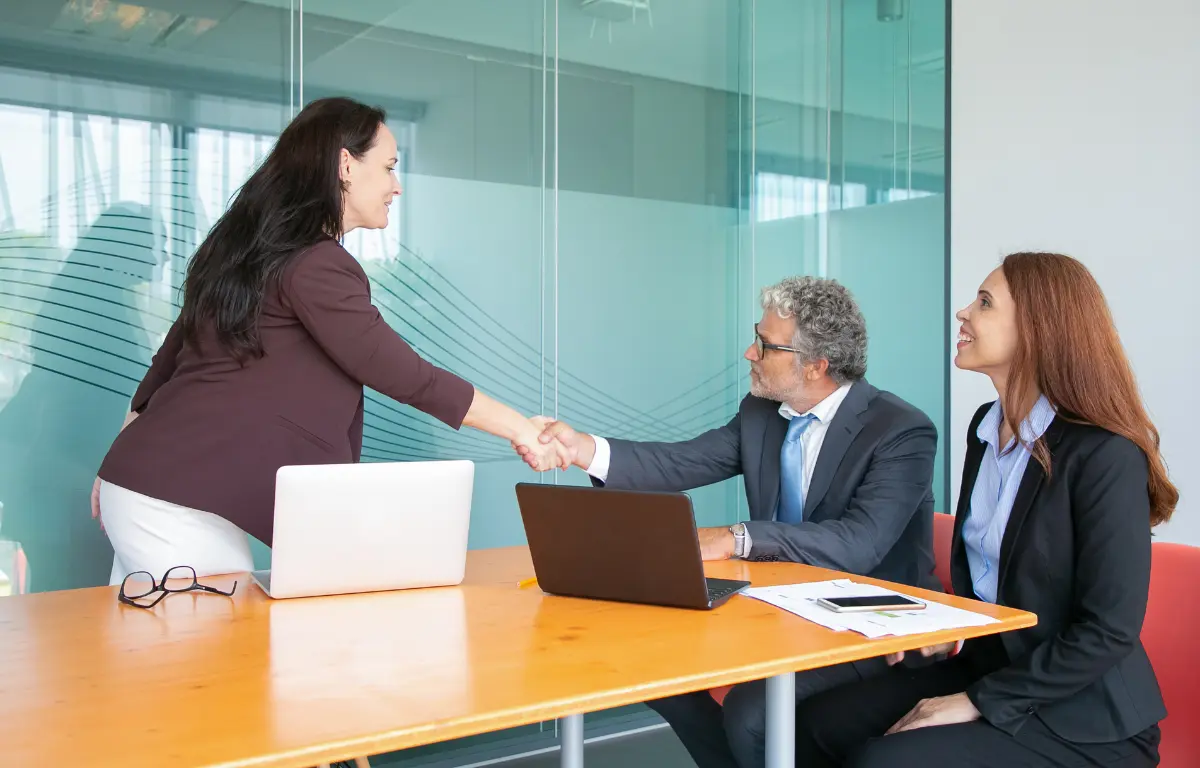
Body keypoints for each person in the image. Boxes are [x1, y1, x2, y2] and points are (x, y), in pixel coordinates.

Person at [94, 97, 565, 585]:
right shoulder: (315, 265)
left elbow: (169, 359)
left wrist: (120, 462)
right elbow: (405, 375)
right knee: (213, 651)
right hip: (174, 500)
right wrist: (520, 429)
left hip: (149, 487)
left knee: (159, 651)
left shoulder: (245, 251)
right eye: (388, 167)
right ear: (345, 164)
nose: (395, 186)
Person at [523, 276, 939, 768]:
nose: (749, 352)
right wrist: (583, 449)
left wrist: (736, 538)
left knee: (751, 713)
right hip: (779, 607)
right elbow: (680, 463)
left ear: (817, 366)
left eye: (765, 344)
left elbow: (859, 543)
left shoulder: (899, 430)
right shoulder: (763, 413)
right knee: (656, 671)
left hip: (868, 622)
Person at [791, 252, 1172, 768]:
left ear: (1038, 330)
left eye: (985, 303)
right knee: (813, 726)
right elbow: (993, 582)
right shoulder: (984, 428)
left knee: (884, 761)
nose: (963, 313)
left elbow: (1107, 631)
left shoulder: (1104, 455)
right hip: (989, 668)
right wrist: (935, 631)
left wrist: (976, 702)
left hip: (1084, 718)